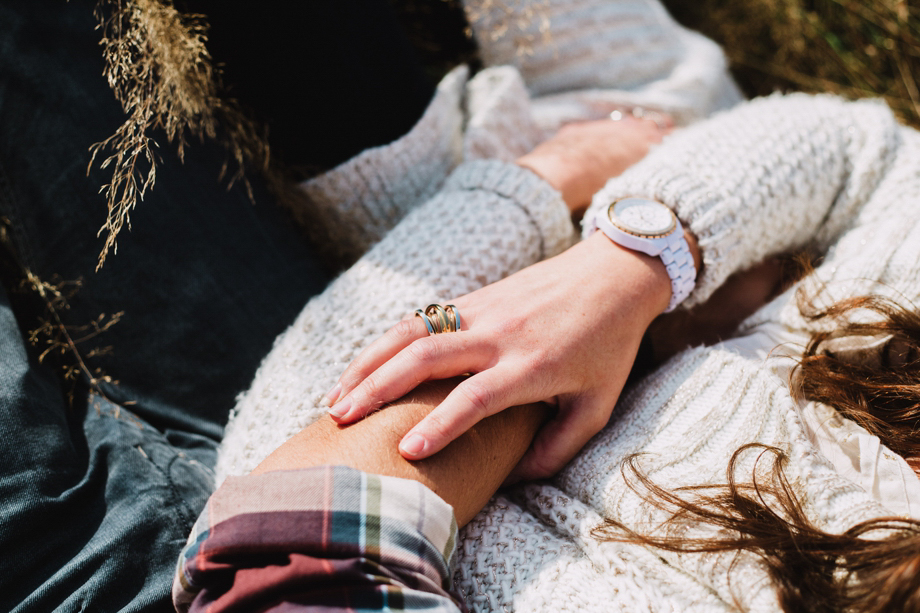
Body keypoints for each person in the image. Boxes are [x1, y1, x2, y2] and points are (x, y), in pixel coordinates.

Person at [0, 1, 742, 612]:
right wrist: (631, 266)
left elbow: (288, 520)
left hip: (167, 541)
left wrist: (531, 197)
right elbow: (849, 139)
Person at [180, 92, 920, 612]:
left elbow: (273, 518)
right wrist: (632, 263)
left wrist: (541, 184)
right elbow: (875, 153)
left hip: (364, 293)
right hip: (608, 196)